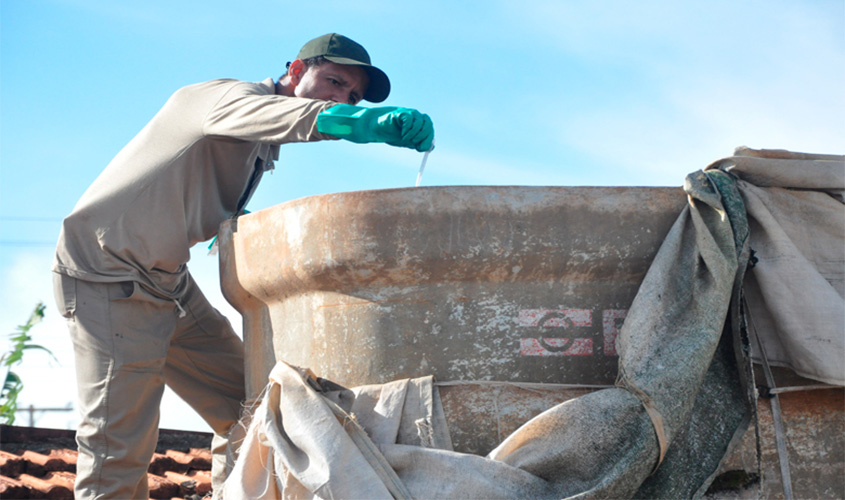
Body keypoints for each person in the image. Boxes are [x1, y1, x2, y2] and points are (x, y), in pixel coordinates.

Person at [52, 33, 433, 499]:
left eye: (352, 95)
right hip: (106, 274)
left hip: (165, 281)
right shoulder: (220, 99)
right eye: (334, 81)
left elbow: (207, 208)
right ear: (295, 71)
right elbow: (293, 117)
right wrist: (361, 121)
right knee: (118, 448)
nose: (341, 97)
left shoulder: (258, 144)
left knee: (255, 411)